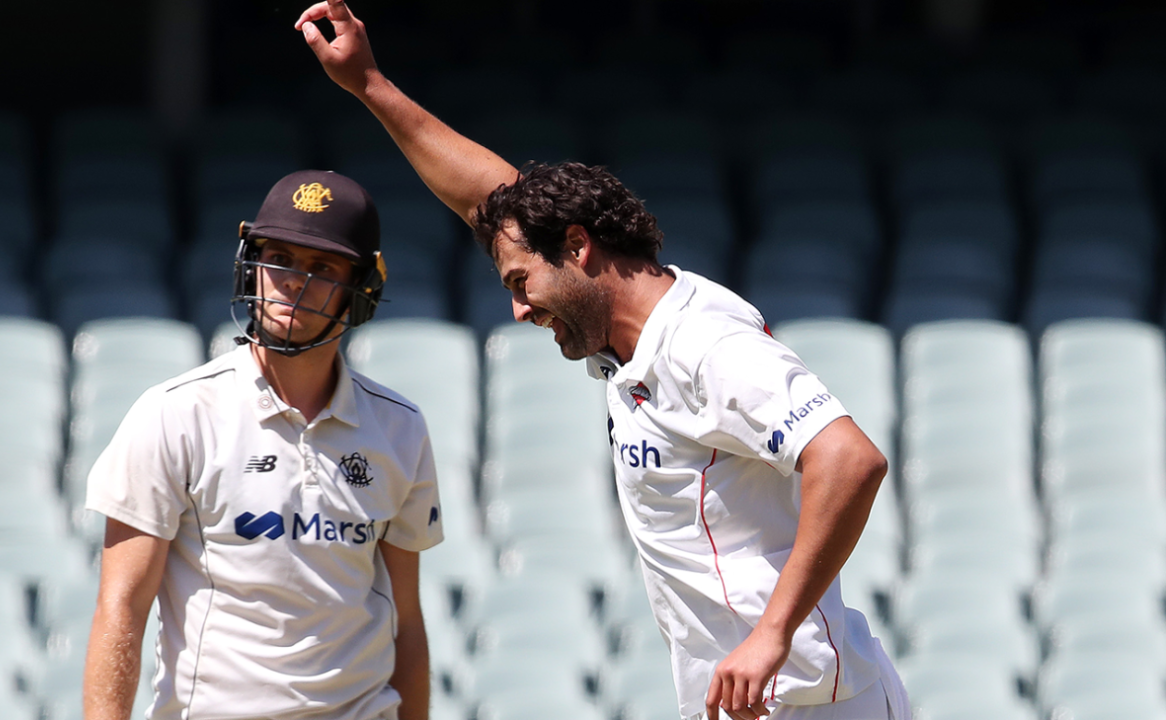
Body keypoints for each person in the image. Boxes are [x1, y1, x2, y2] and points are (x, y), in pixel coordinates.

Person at [292, 4, 911, 720]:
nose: (520, 312)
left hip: (815, 703)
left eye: (521, 286)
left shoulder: (704, 346)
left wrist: (770, 635)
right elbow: (493, 202)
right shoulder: (628, 331)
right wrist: (370, 84)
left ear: (579, 247)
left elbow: (850, 459)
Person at [83, 169, 443, 720]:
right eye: (279, 258)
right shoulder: (177, 413)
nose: (293, 281)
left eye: (321, 267)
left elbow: (407, 624)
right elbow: (121, 610)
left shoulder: (401, 428)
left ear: (363, 289)